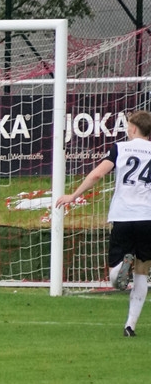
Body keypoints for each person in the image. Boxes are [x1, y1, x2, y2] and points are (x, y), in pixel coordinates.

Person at [55, 110, 151, 337]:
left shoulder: (120, 148)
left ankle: (121, 269)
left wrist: (73, 195)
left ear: (133, 128)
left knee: (115, 278)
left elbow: (97, 175)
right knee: (142, 272)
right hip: (148, 217)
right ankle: (130, 325)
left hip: (124, 216)